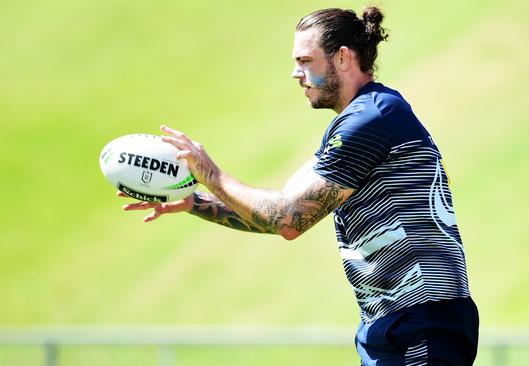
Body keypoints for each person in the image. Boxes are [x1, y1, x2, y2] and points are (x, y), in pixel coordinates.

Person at [122, 6, 479, 365]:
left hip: (421, 325)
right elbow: (279, 209)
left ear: (342, 58)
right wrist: (193, 201)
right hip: (391, 326)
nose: (296, 73)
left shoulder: (371, 119)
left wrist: (210, 174)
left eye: (306, 60)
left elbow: (288, 220)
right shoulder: (360, 119)